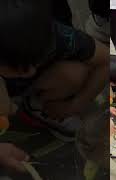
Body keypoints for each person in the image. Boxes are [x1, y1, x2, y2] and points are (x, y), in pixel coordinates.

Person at [0, 0, 107, 172]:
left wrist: (75, 105)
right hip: (7, 88)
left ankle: (35, 106)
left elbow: (105, 61)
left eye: (35, 59)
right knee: (4, 108)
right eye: (17, 67)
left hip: (39, 81)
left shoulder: (59, 36)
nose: (30, 71)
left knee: (75, 73)